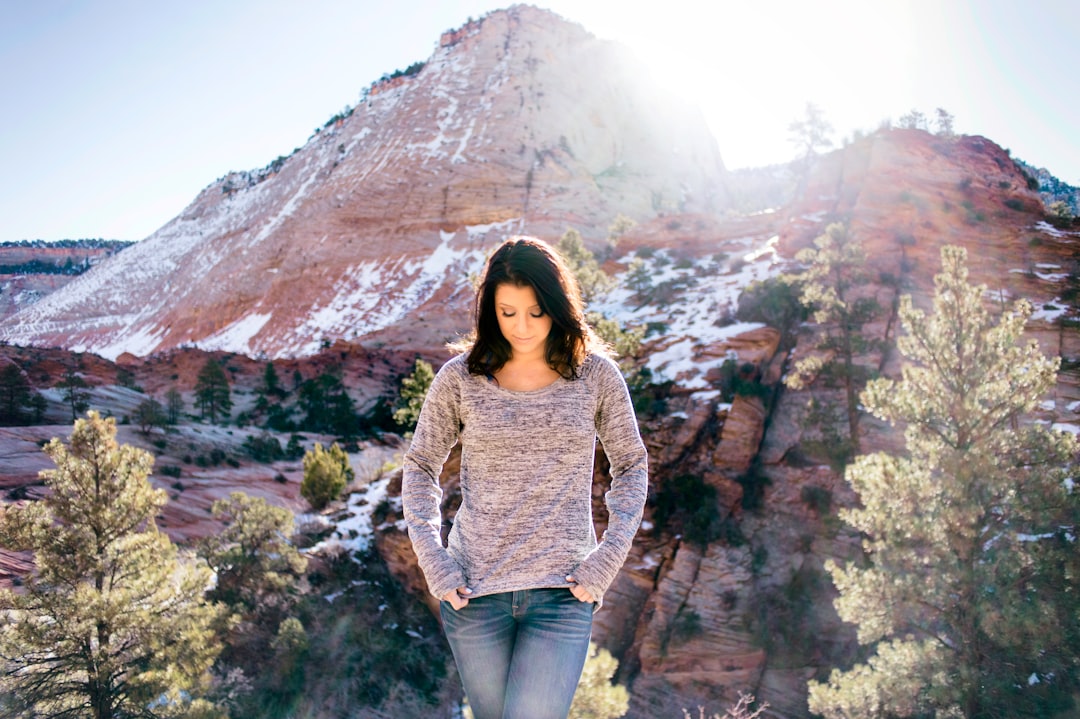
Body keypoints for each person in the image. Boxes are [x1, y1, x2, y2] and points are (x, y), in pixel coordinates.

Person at [401, 236, 649, 719]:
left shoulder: (594, 377)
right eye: (507, 312)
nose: (522, 327)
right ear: (489, 310)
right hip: (473, 595)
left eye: (536, 311)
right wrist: (434, 561)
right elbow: (420, 466)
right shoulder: (459, 378)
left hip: (563, 594)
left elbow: (632, 465)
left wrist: (608, 556)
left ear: (558, 306)